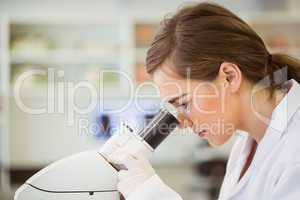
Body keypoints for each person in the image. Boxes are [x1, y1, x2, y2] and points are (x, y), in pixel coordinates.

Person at [102, 2, 300, 200]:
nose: (181, 123)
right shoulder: (247, 144)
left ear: (229, 77)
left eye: (184, 103)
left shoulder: (295, 150)